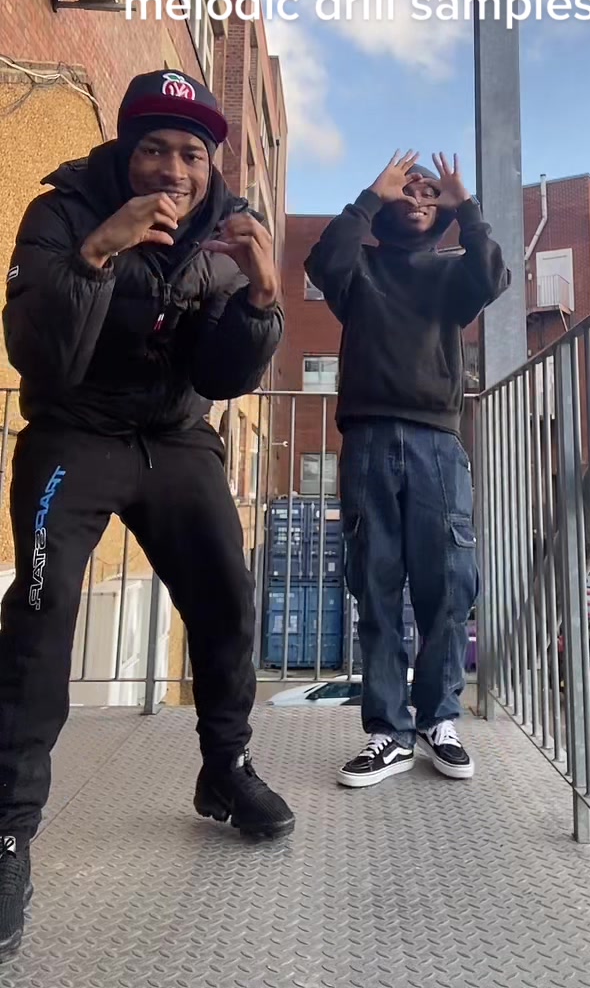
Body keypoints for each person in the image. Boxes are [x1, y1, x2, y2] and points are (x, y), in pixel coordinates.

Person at [0, 69, 294, 963]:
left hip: (174, 434)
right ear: (126, 150)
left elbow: (221, 377)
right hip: (75, 430)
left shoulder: (228, 229)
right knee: (43, 611)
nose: (173, 169)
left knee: (228, 596)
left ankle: (226, 769)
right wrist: (98, 251)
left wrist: (262, 301)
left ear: (211, 163)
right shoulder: (62, 211)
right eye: (155, 149)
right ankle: (9, 832)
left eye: (191, 153)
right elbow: (38, 354)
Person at [305, 150, 509, 788]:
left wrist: (465, 204)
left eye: (428, 193)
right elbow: (322, 261)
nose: (418, 197)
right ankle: (387, 733)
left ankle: (438, 721)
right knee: (376, 586)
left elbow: (494, 275)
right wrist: (372, 193)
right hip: (367, 438)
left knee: (449, 586)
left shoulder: (453, 272)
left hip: (437, 443)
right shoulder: (359, 268)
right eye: (408, 190)